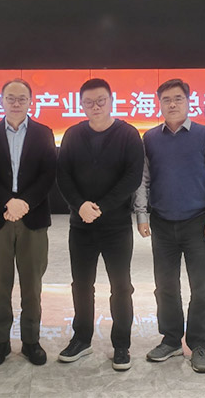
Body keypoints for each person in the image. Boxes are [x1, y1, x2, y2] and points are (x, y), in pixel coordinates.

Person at [134, 78, 205, 373]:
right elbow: (143, 179)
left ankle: (198, 344)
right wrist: (141, 214)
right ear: (159, 104)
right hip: (162, 222)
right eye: (166, 100)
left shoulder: (204, 135)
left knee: (201, 287)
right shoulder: (150, 138)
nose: (172, 104)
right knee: (165, 286)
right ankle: (171, 339)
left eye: (178, 99)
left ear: (188, 102)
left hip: (197, 222)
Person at [56, 78, 144, 371]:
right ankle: (82, 339)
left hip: (116, 226)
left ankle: (121, 345)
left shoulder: (128, 134)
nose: (95, 106)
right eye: (89, 102)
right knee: (82, 285)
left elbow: (132, 177)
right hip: (80, 225)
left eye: (100, 100)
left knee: (121, 286)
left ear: (111, 101)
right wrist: (79, 205)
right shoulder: (72, 135)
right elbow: (63, 175)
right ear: (81, 105)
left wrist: (101, 207)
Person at [0, 79, 57, 366]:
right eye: (10, 98)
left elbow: (48, 174)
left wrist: (24, 203)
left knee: (32, 286)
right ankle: (0, 342)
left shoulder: (44, 133)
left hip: (32, 218)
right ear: (1, 101)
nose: (16, 103)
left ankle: (31, 341)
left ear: (30, 102)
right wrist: (7, 202)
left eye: (22, 98)